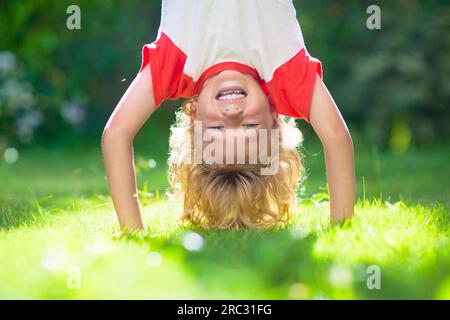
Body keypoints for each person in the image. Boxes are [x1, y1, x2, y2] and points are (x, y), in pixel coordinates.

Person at [102, 0, 356, 231]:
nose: (232, 114)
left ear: (194, 116)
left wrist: (133, 231)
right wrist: (341, 229)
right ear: (273, 117)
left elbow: (116, 134)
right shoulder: (284, 74)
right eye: (249, 126)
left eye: (216, 130)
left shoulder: (175, 66)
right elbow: (336, 136)